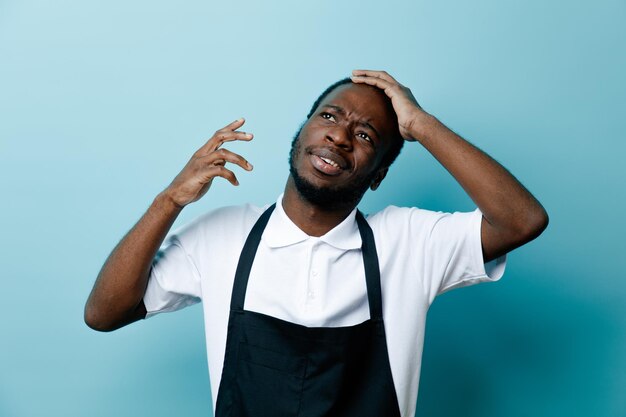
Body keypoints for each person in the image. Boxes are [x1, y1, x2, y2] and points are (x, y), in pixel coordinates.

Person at [85, 69, 548, 417]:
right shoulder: (222, 236)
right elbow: (104, 314)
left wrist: (421, 125)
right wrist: (170, 200)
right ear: (302, 131)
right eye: (329, 116)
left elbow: (521, 220)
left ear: (379, 175)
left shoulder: (408, 243)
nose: (340, 136)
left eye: (365, 135)